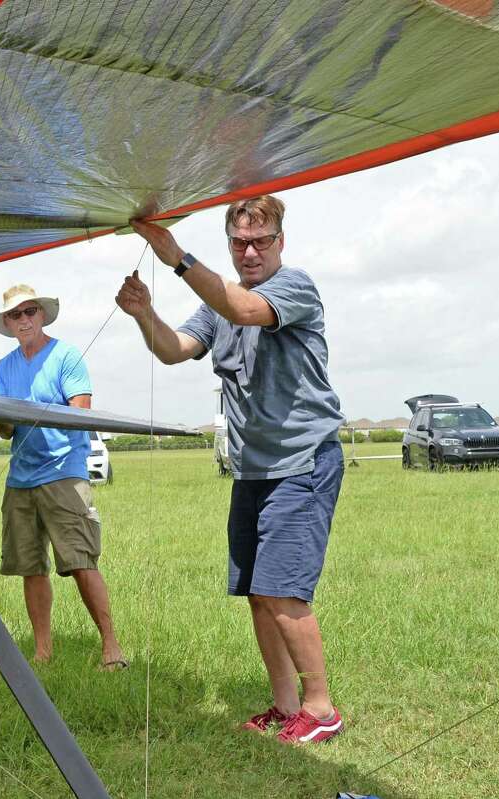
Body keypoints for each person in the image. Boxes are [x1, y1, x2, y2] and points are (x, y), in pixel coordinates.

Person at [115, 196, 345, 743]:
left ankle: (321, 708)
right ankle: (286, 705)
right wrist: (145, 314)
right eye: (239, 242)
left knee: (285, 591)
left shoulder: (295, 288)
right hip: (251, 471)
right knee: (258, 593)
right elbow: (174, 349)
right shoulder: (216, 304)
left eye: (261, 240)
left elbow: (243, 309)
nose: (250, 251)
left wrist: (174, 255)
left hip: (302, 463)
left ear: (280, 242)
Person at [0, 283, 127, 670]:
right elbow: (6, 430)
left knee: (81, 562)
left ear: (42, 315)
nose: (24, 319)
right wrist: (0, 421)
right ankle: (43, 653)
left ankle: (112, 648)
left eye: (30, 311)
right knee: (30, 567)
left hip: (64, 473)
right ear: (7, 323)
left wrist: (34, 413)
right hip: (21, 478)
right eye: (15, 315)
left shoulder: (65, 355)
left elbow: (80, 413)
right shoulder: (4, 367)